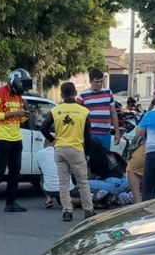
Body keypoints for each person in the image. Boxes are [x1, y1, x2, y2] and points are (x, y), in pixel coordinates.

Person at [0, 68, 33, 213]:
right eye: (21, 85)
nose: (22, 88)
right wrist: (16, 113)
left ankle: (11, 202)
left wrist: (25, 116)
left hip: (16, 137)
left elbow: (19, 118)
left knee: (15, 171)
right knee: (0, 169)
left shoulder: (18, 96)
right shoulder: (0, 92)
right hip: (2, 137)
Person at [43, 81, 94, 221]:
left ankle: (67, 211)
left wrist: (52, 140)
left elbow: (43, 128)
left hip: (60, 149)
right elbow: (88, 134)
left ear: (61, 94)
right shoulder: (84, 111)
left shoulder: (55, 110)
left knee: (63, 182)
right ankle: (88, 210)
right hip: (76, 149)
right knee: (82, 181)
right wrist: (87, 153)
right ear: (75, 93)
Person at [79, 69, 120, 150]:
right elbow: (79, 117)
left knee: (105, 159)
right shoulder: (82, 96)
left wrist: (117, 132)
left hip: (105, 133)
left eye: (101, 81)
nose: (99, 84)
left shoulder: (108, 93)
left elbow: (113, 113)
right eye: (96, 82)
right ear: (90, 81)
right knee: (91, 159)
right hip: (90, 134)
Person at [35, 134, 62, 209]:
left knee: (43, 178)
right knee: (81, 199)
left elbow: (42, 171)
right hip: (66, 188)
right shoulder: (61, 152)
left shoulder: (38, 154)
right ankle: (68, 200)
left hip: (49, 189)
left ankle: (48, 199)